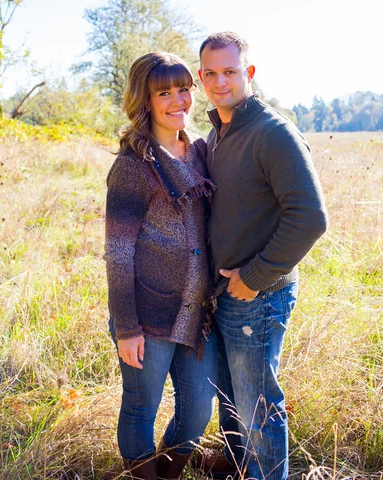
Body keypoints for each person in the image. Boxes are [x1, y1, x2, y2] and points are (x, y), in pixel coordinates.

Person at [196, 32, 328, 480]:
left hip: (259, 295)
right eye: (211, 73)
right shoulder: (218, 133)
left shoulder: (273, 133)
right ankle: (237, 470)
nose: (220, 81)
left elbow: (309, 217)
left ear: (248, 74)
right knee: (232, 403)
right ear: (201, 77)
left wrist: (254, 276)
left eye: (230, 71)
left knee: (258, 410)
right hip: (224, 294)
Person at [104, 52, 218, 480]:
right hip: (146, 315)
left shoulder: (201, 154)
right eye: (164, 93)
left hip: (193, 314)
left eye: (184, 89)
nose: (178, 101)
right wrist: (127, 327)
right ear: (145, 101)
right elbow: (118, 253)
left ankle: (168, 471)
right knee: (140, 407)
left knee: (196, 414)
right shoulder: (132, 167)